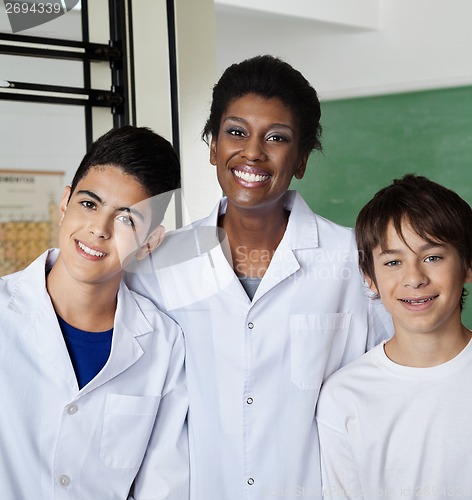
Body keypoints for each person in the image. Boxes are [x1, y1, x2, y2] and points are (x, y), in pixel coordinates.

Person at [125, 55, 392, 500]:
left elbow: (390, 385)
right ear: (212, 148)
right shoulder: (159, 265)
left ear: (302, 159)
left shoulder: (354, 260)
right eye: (235, 132)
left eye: (276, 138)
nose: (252, 152)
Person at [0, 126, 189, 499]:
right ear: (65, 203)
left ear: (150, 243)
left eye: (126, 220)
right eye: (89, 204)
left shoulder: (164, 346)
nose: (98, 229)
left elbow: (162, 487)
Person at [316, 174, 472, 499]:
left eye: (432, 257)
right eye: (393, 262)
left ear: (467, 265)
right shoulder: (344, 397)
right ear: (369, 278)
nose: (413, 278)